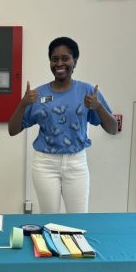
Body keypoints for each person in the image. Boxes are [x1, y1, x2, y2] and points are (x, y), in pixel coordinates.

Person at [8, 36, 118, 214]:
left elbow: (113, 129)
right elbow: (12, 130)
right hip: (45, 164)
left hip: (76, 163)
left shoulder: (87, 91)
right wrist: (23, 104)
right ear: (50, 62)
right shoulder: (38, 94)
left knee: (78, 219)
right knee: (49, 219)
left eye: (65, 58)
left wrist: (98, 107)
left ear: (75, 62)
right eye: (54, 59)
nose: (60, 63)